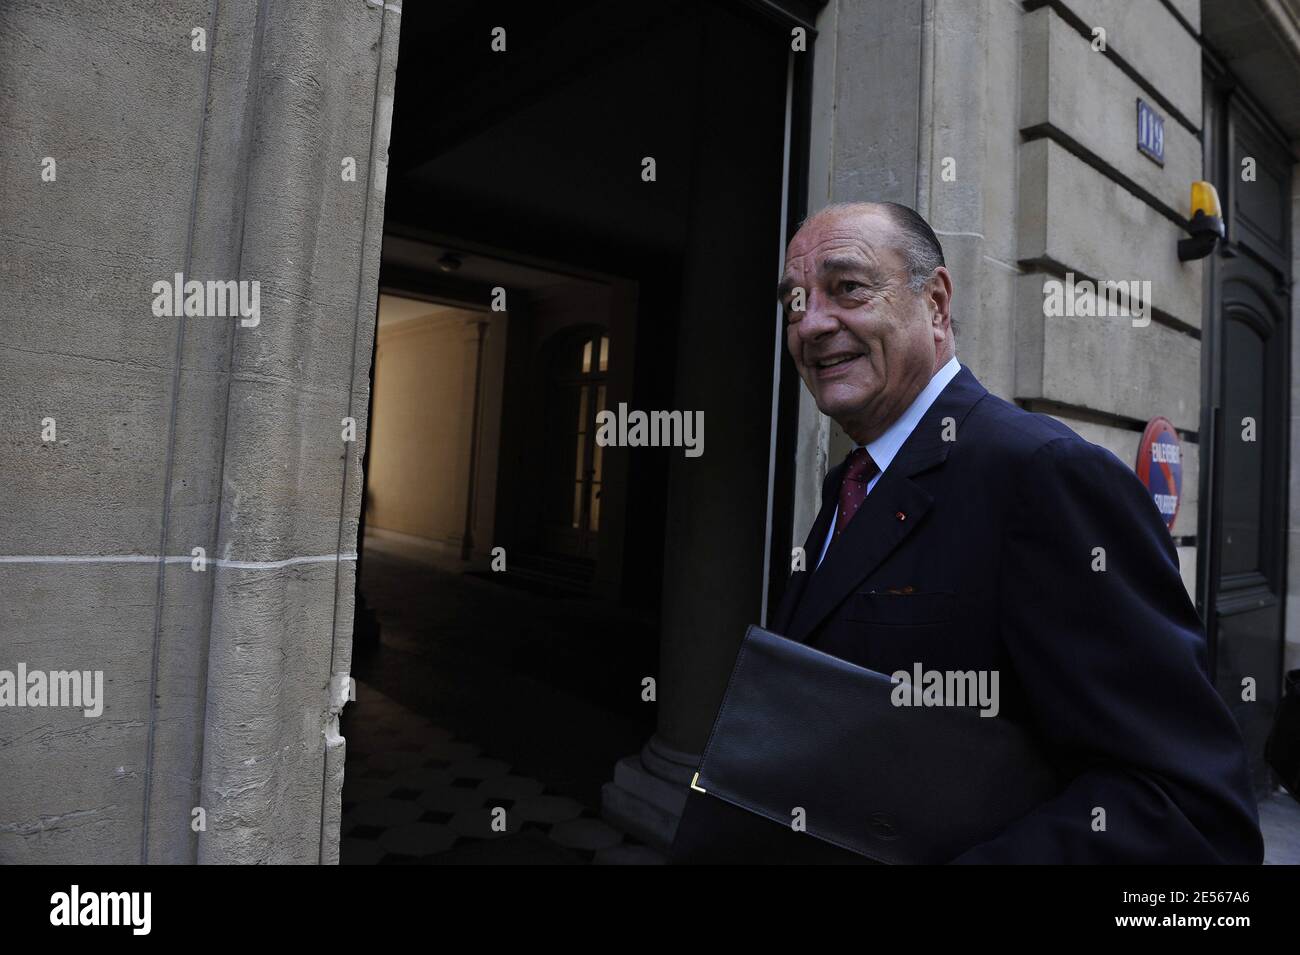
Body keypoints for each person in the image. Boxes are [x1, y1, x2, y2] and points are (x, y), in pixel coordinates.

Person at [770, 201, 1263, 863]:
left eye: (848, 288)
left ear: (936, 303)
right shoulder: (850, 484)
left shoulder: (1044, 476)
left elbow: (1189, 811)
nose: (812, 324)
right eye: (795, 303)